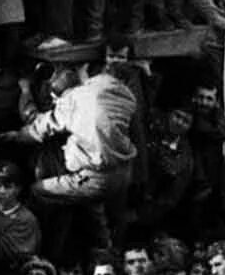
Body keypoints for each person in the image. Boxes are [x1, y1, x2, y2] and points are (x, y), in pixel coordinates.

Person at [16, 61, 138, 252]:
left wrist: (24, 92)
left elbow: (36, 123)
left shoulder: (73, 101)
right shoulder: (123, 99)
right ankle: (106, 253)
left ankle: (35, 249)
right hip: (120, 171)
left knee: (39, 192)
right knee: (95, 213)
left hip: (90, 175)